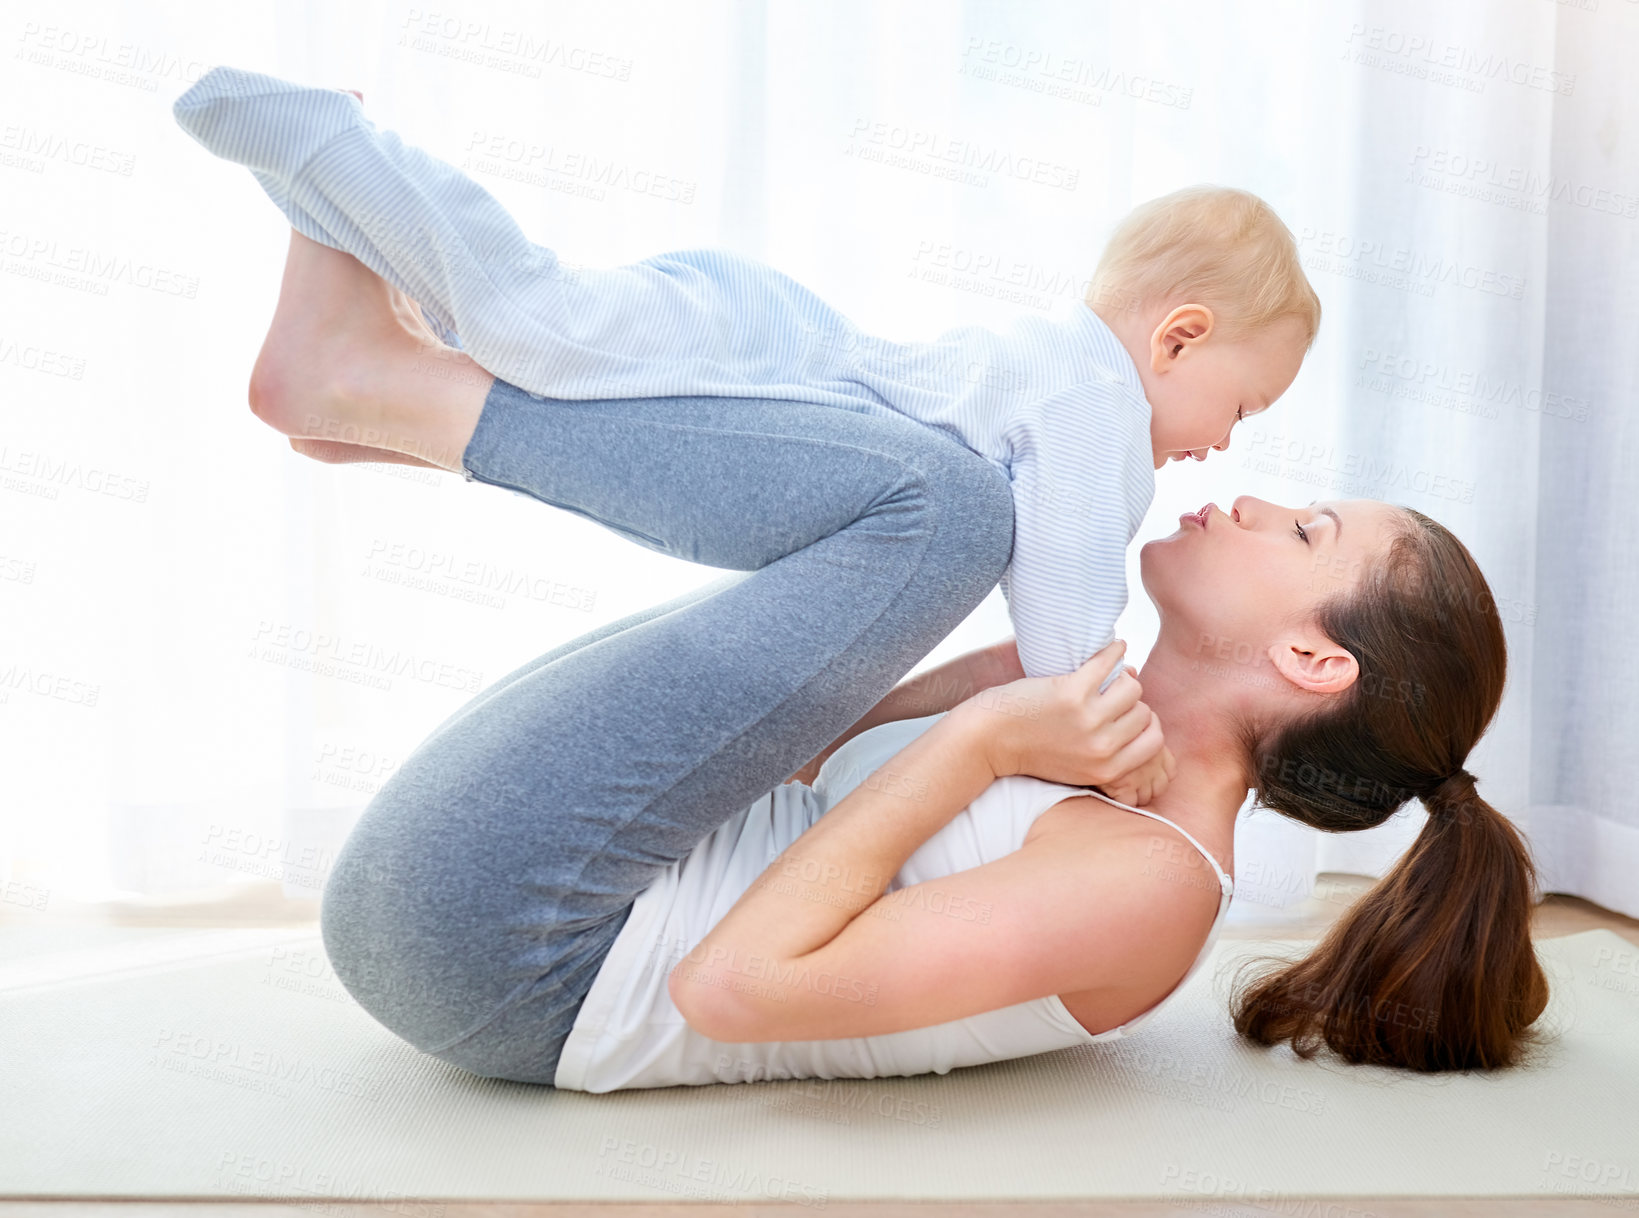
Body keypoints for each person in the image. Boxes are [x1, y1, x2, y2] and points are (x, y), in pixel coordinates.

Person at [170, 65, 1320, 714]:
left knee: (526, 339)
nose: (1224, 445)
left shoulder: (1066, 377)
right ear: (1176, 339)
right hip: (746, 350)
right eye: (1243, 408)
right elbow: (1068, 615)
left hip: (756, 332)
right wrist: (1115, 709)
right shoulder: (1093, 405)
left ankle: (330, 259)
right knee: (523, 315)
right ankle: (334, 144)